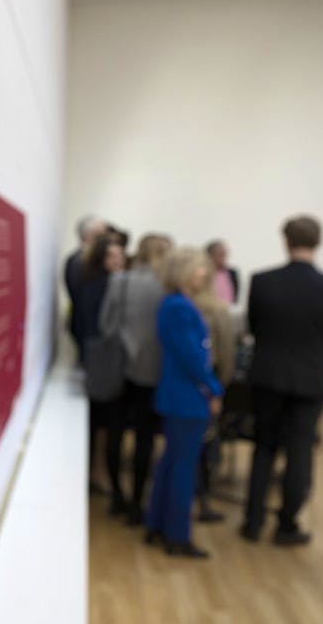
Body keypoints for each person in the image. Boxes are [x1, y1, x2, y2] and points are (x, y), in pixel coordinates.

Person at [241, 216, 323, 546]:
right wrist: (316, 361)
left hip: (268, 376)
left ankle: (252, 521)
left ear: (286, 241)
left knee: (264, 446)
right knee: (300, 451)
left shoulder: (262, 282)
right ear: (318, 242)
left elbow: (254, 327)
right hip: (311, 379)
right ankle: (287, 524)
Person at [145, 248, 224, 558]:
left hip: (179, 395)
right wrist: (213, 389)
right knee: (183, 468)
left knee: (171, 462)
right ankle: (177, 535)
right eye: (199, 268)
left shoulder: (174, 304)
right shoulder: (179, 306)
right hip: (187, 397)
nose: (204, 274)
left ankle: (157, 524)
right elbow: (192, 357)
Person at [98, 233, 171, 523]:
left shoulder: (120, 281)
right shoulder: (167, 287)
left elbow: (105, 324)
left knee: (115, 434)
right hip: (152, 370)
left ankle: (117, 495)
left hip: (120, 367)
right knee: (144, 439)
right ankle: (137, 502)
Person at [78, 233, 125, 494]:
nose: (118, 260)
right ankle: (98, 474)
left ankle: (96, 472)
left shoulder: (95, 282)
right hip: (104, 360)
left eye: (120, 255)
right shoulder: (103, 285)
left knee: (99, 421)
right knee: (104, 421)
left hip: (97, 358)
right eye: (112, 256)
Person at [190, 266, 238, 523]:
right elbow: (227, 353)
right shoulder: (215, 310)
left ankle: (194, 498)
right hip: (208, 382)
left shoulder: (182, 305)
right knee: (205, 445)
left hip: (195, 384)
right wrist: (220, 386)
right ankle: (201, 499)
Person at [64, 215, 106, 364]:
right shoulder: (79, 261)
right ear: (89, 235)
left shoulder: (85, 260)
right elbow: (79, 295)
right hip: (86, 328)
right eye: (101, 234)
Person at [205, 240, 239, 305]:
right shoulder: (204, 274)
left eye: (224, 254)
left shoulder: (232, 273)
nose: (223, 258)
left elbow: (235, 296)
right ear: (210, 256)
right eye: (220, 255)